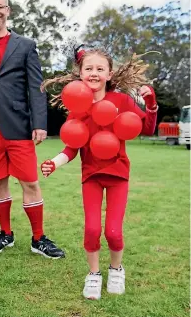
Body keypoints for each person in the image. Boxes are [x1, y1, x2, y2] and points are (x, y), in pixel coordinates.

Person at [40, 46, 158, 300]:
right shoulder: (77, 106)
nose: (94, 73)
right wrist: (54, 162)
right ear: (80, 73)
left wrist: (150, 103)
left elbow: (146, 129)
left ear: (109, 74)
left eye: (99, 69)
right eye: (88, 68)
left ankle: (116, 268)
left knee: (113, 231)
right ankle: (93, 274)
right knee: (92, 230)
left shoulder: (122, 101)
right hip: (90, 176)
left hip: (118, 175)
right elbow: (72, 146)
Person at [0, 0, 65, 258]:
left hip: (19, 126)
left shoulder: (25, 45)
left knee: (30, 182)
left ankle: (38, 238)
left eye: (0, 6)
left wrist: (40, 122)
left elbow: (37, 86)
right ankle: (6, 234)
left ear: (8, 11)